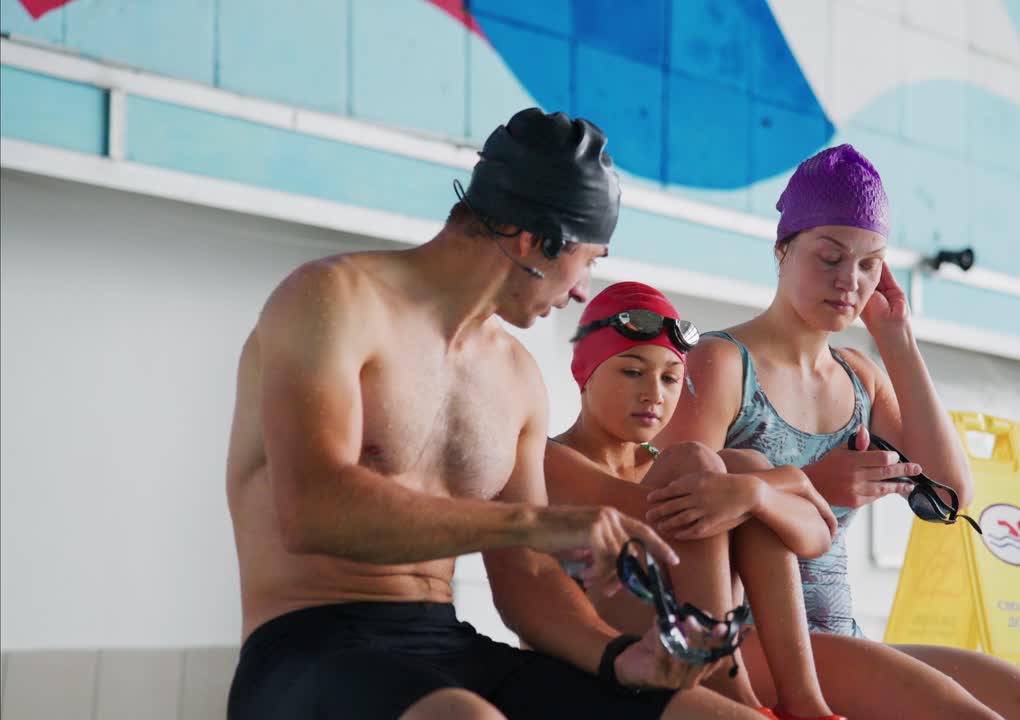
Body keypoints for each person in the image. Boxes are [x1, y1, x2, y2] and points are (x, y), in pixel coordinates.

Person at [224, 107, 767, 720]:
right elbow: (313, 508)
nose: (584, 289)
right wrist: (529, 522)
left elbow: (528, 581)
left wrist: (618, 657)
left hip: (447, 646)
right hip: (306, 648)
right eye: (587, 260)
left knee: (714, 717)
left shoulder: (514, 376)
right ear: (533, 240)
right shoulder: (334, 300)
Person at [651, 144, 1020, 720]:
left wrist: (898, 341)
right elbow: (667, 523)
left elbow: (949, 496)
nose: (850, 281)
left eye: (869, 264)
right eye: (830, 257)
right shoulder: (721, 365)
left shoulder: (859, 377)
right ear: (782, 248)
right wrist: (816, 482)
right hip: (746, 647)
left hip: (846, 641)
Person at [546, 281, 846, 720]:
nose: (655, 393)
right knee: (702, 463)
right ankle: (727, 678)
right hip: (591, 659)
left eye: (671, 377)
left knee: (740, 464)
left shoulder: (675, 467)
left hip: (679, 636)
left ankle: (805, 703)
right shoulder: (550, 457)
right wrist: (790, 483)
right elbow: (645, 513)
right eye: (632, 372)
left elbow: (819, 536)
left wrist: (757, 490)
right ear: (584, 373)